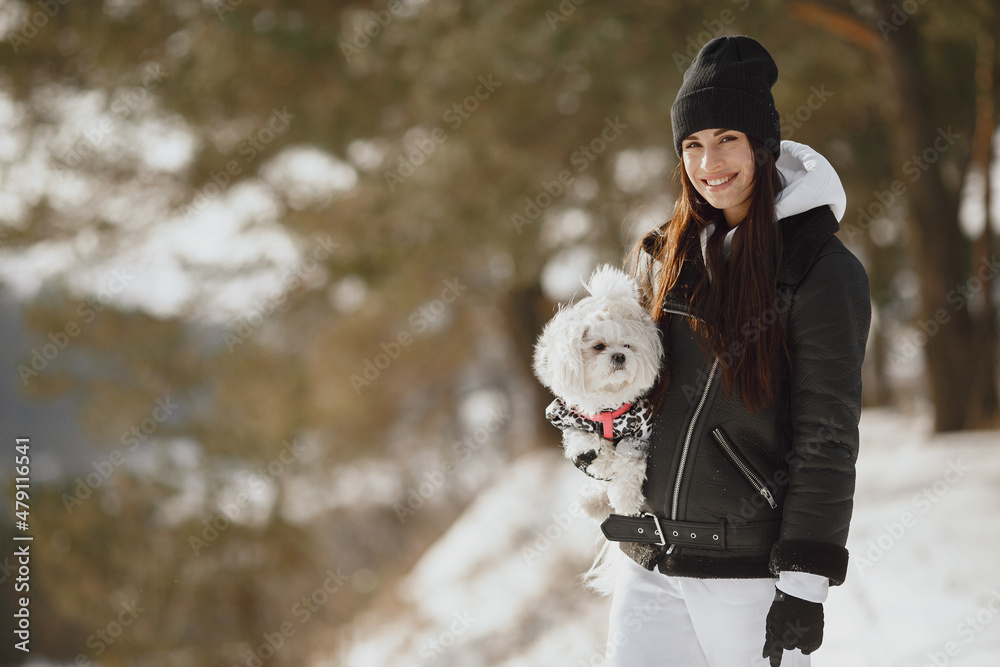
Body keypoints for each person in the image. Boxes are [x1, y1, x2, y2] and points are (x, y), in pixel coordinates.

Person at [597, 35, 872, 666]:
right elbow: (639, 385)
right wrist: (597, 424)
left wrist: (804, 582)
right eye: (692, 144)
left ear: (762, 145)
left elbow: (828, 433)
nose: (708, 161)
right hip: (652, 562)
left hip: (749, 574)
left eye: (726, 138)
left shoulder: (820, 270)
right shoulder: (665, 255)